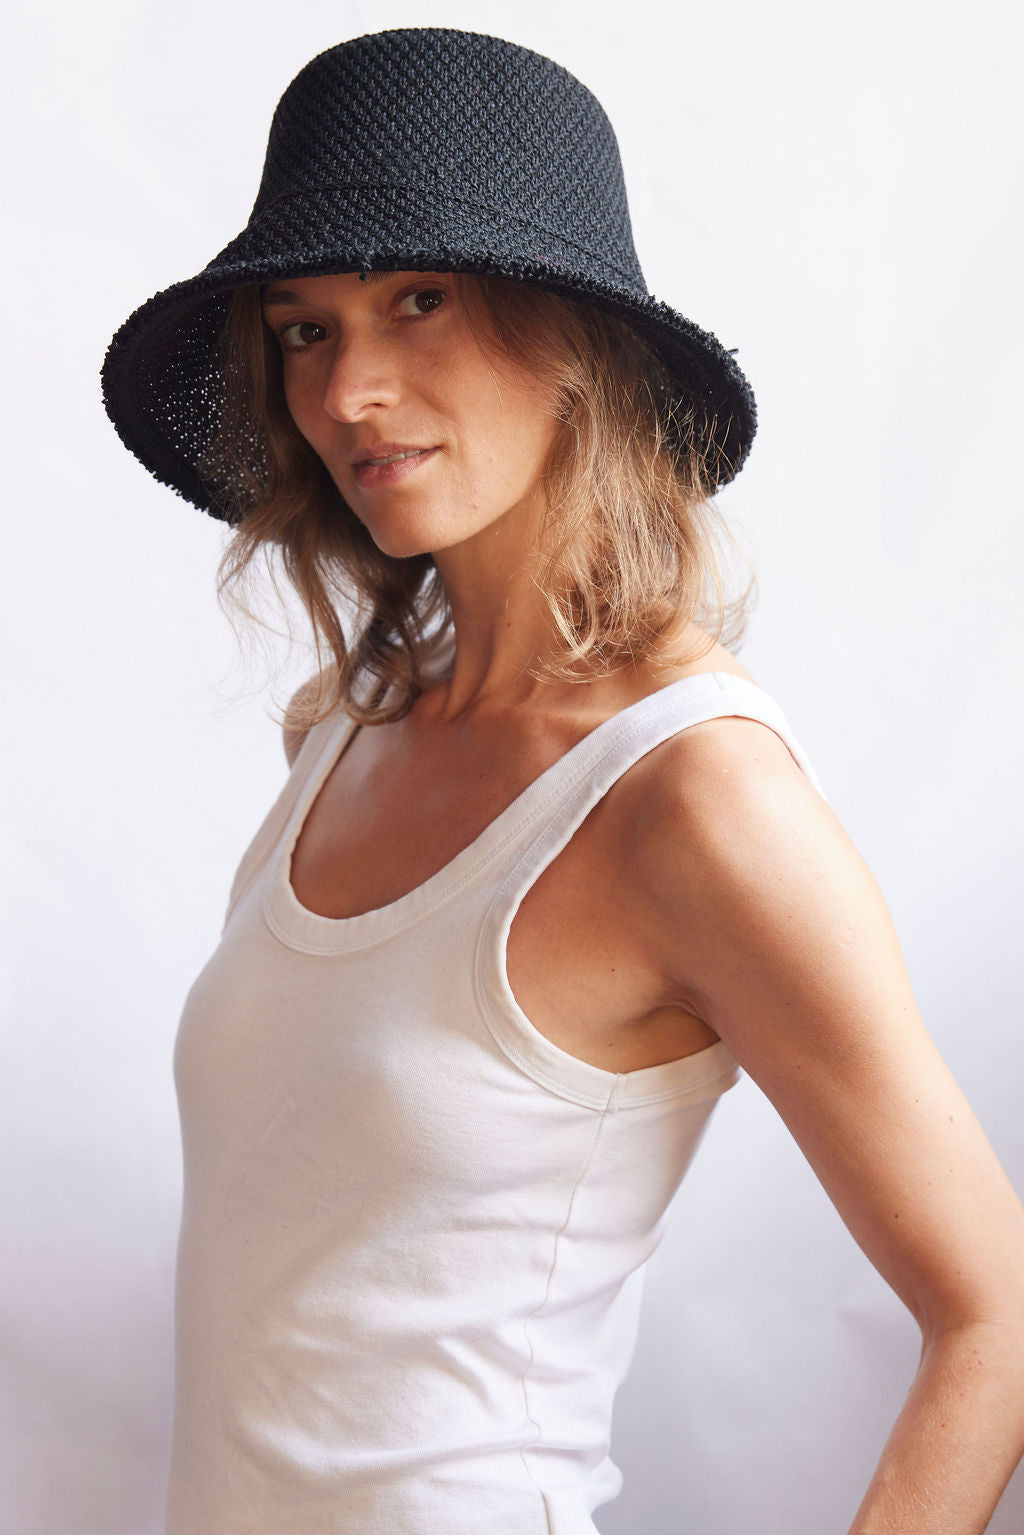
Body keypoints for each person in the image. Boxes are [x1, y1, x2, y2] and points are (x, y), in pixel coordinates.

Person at [101, 27, 1024, 1535]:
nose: (350, 391)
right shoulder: (338, 735)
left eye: (419, 300)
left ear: (578, 341)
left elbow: (996, 1313)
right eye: (305, 327)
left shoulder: (696, 801)